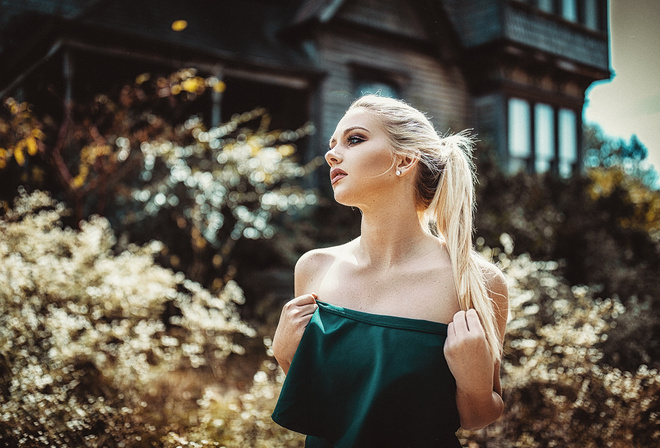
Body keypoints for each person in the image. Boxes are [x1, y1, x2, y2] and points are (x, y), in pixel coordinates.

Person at [271, 94, 509, 447]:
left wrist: (474, 384)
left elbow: (478, 417)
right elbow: (329, 406)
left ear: (405, 159)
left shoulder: (476, 282)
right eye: (333, 145)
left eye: (354, 139)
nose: (332, 154)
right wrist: (285, 355)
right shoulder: (314, 269)